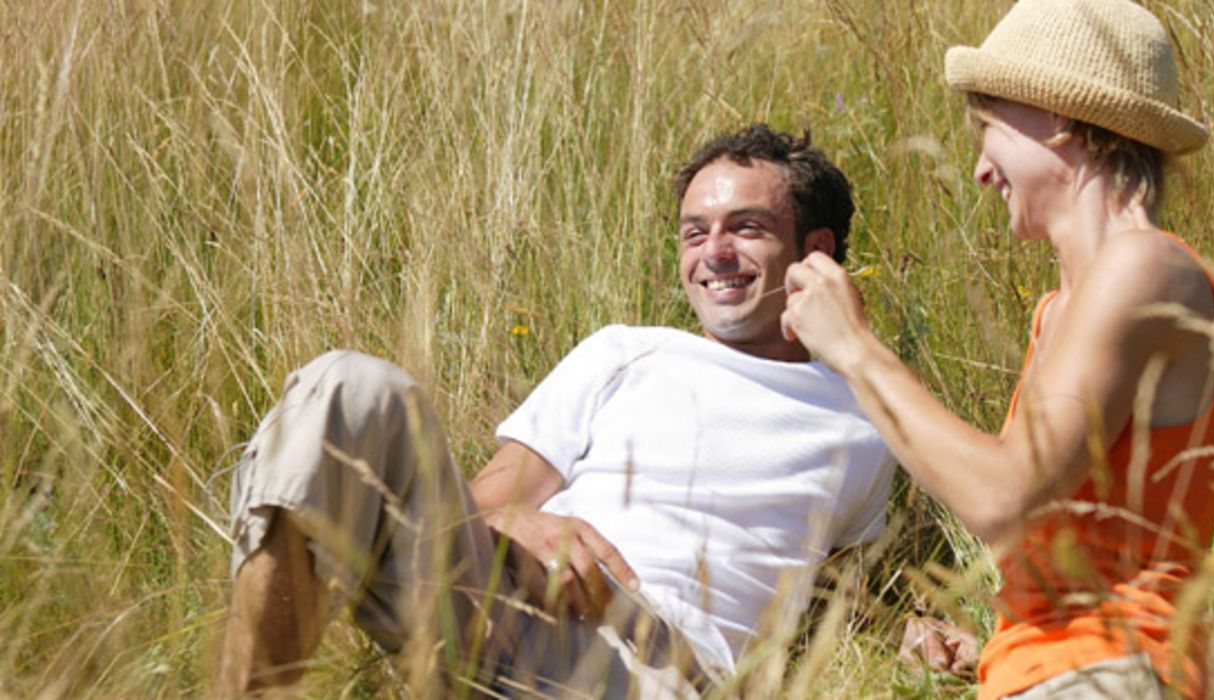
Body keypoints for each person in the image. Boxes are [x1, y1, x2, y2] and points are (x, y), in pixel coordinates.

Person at [219, 124, 896, 697]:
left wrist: (911, 628)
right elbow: (484, 500)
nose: (712, 254)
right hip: (506, 602)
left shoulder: (865, 417)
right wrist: (516, 521)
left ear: (815, 252)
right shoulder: (629, 353)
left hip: (652, 669)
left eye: (745, 228)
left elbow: (844, 593)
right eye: (694, 233)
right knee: (347, 384)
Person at [780, 1, 1214, 698]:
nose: (979, 172)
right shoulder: (1063, 307)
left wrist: (857, 351)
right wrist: (998, 642)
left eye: (986, 129)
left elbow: (1004, 500)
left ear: (1057, 121)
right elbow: (1045, 537)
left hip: (1116, 670)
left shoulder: (1144, 266)